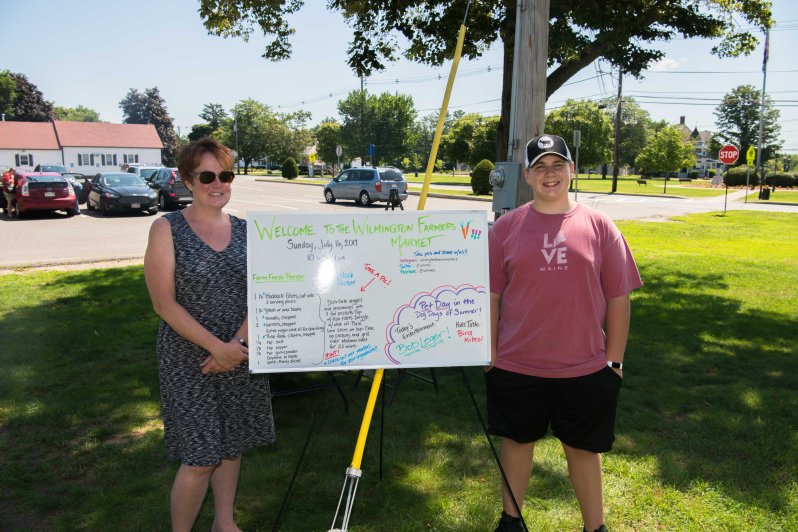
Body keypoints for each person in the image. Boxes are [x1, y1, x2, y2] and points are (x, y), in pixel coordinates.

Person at [486, 134, 643, 532]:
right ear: (527, 176)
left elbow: (619, 297)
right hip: (517, 363)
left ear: (572, 170)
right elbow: (490, 295)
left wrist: (615, 361)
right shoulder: (505, 228)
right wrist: (489, 353)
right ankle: (511, 522)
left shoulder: (600, 226)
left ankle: (595, 527)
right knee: (516, 443)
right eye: (540, 167)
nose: (550, 174)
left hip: (585, 366)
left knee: (583, 449)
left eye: (558, 165)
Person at [144, 137, 275, 532]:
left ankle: (224, 523)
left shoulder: (248, 231)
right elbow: (163, 303)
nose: (217, 184)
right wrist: (217, 348)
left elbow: (265, 291)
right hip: (188, 359)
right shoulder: (166, 229)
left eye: (225, 175)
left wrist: (237, 345)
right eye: (206, 176)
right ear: (188, 180)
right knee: (200, 457)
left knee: (231, 446)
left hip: (239, 351)